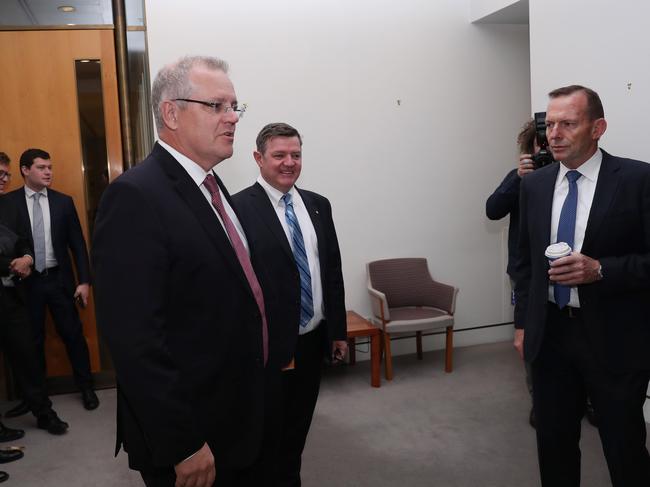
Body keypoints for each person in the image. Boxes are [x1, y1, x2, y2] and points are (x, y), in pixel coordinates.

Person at [92, 55, 271, 487]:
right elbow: (136, 341)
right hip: (192, 433)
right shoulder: (135, 197)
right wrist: (182, 443)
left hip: (236, 410)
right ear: (171, 113)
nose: (232, 118)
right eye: (217, 106)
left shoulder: (210, 184)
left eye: (235, 107)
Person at [514, 85, 650, 486]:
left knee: (623, 446)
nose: (553, 133)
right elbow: (524, 264)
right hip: (550, 336)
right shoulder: (534, 186)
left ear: (598, 127)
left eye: (568, 123)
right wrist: (523, 324)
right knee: (553, 445)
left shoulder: (638, 179)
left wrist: (601, 270)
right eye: (550, 124)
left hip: (615, 339)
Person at [233, 122, 347, 486]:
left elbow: (331, 272)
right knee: (267, 435)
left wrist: (338, 332)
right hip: (268, 348)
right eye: (279, 155)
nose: (289, 163)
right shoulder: (237, 208)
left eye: (295, 155)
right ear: (258, 158)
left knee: (297, 430)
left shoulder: (318, 205)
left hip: (311, 342)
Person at [4, 149, 98, 413]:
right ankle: (35, 398)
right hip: (25, 285)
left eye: (50, 167)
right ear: (25, 170)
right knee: (30, 342)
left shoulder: (63, 202)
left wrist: (84, 282)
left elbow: (78, 245)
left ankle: (87, 387)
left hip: (58, 281)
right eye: (42, 167)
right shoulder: (8, 203)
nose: (48, 172)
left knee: (73, 335)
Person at [0, 152, 69, 444]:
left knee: (27, 356)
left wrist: (27, 257)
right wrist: (9, 264)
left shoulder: (9, 205)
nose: (4, 179)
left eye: (6, 174)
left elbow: (24, 240)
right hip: (6, 278)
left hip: (11, 295)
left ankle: (44, 412)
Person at [486, 120, 538, 427]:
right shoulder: (521, 177)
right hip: (526, 274)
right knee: (530, 337)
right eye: (539, 143)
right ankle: (540, 400)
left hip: (569, 271)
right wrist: (518, 179)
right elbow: (493, 210)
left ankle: (586, 399)